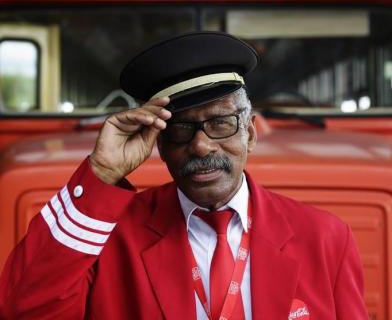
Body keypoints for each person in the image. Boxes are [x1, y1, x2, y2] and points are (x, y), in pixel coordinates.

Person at [0, 32, 367, 319]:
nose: (202, 146)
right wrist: (101, 174)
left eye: (221, 123)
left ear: (250, 134)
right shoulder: (107, 238)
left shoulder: (324, 238)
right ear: (158, 143)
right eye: (180, 129)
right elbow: (24, 309)